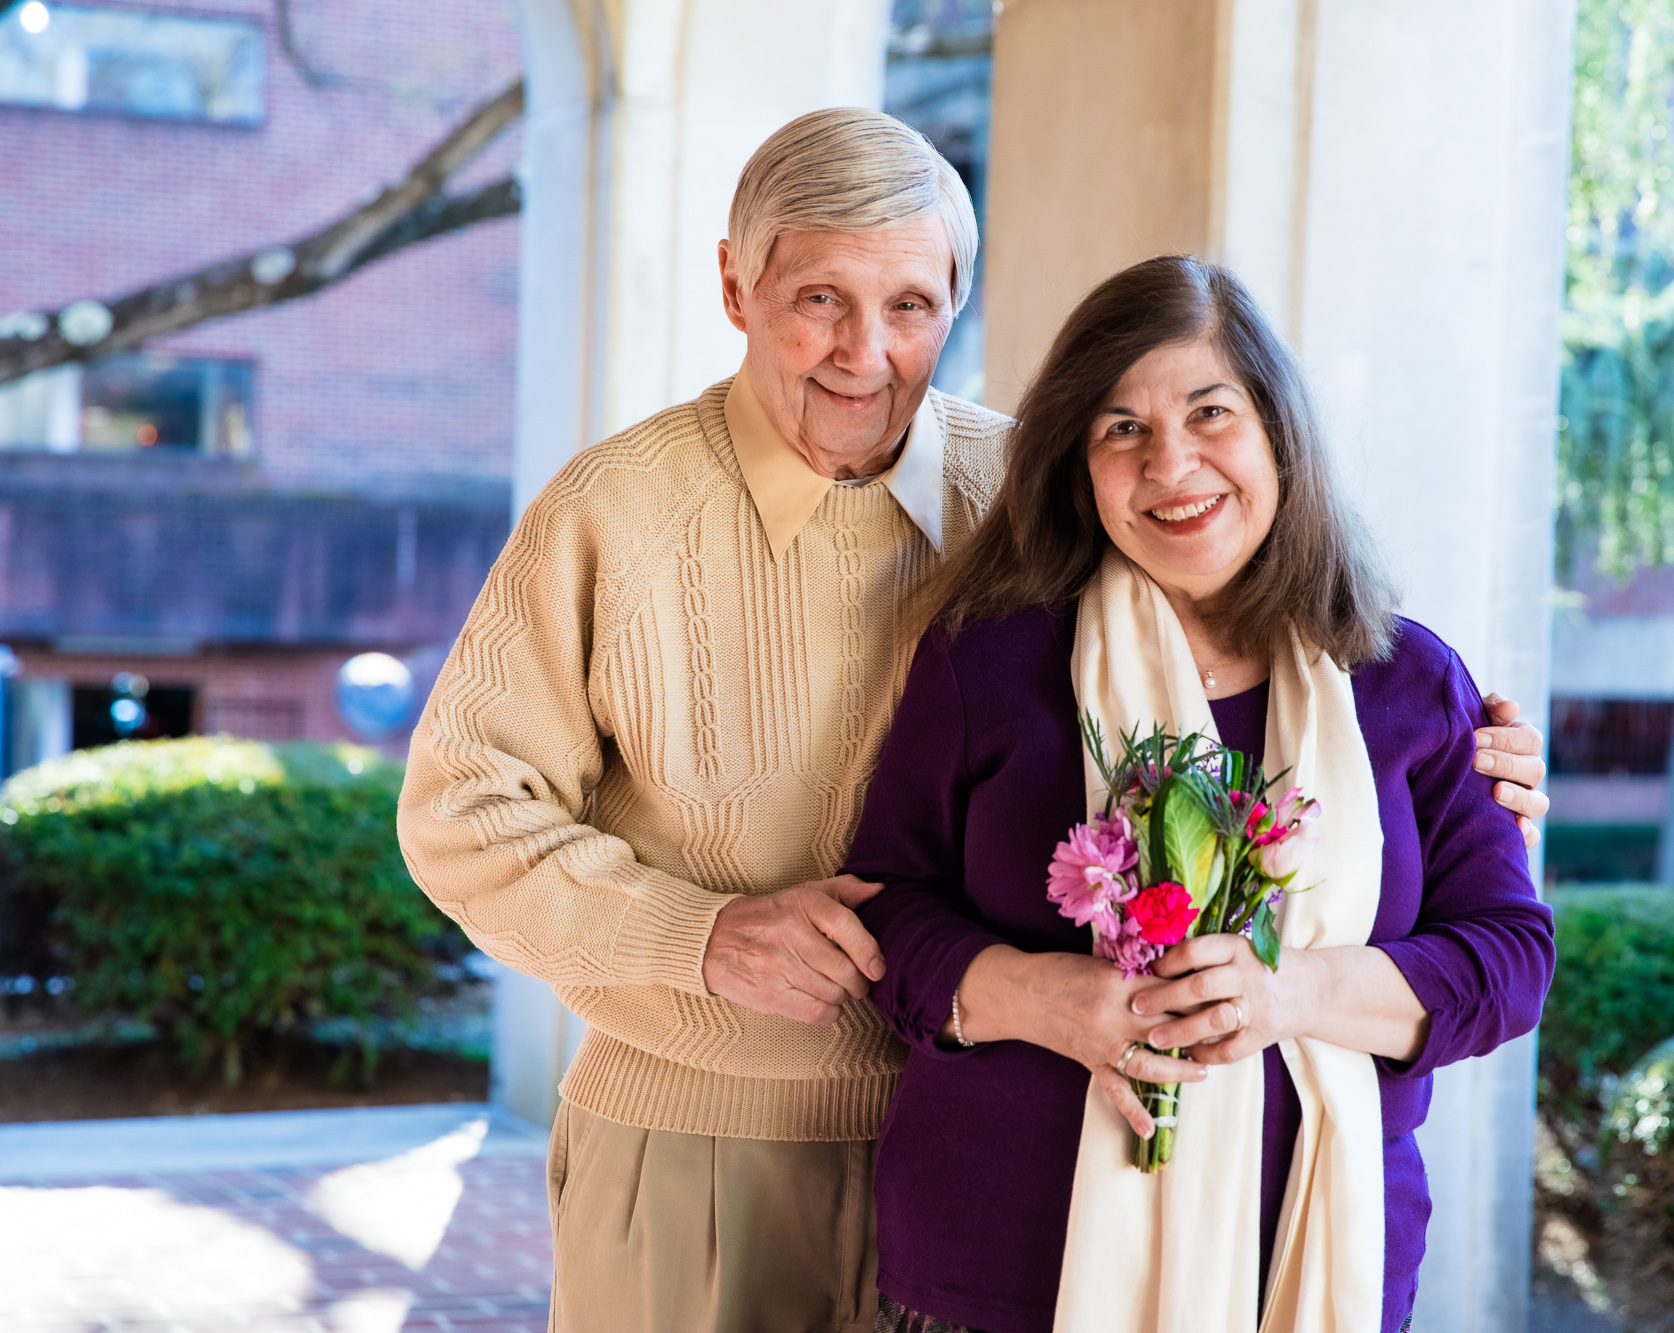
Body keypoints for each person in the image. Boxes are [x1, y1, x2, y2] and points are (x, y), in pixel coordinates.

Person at [398, 108, 1550, 1332]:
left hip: (989, 1149)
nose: (863, 353)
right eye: (818, 300)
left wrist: (1474, 768)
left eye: (907, 305)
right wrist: (695, 933)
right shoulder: (613, 512)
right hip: (715, 1135)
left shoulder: (1032, 484)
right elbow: (460, 812)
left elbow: (1308, 672)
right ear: (735, 285)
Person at [844, 255, 1558, 1333]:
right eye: (1118, 428)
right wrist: (1043, 999)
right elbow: (885, 908)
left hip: (1311, 1264)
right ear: (1077, 467)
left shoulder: (1407, 685)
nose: (1169, 463)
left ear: (1277, 431)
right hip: (1002, 1272)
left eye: (1207, 412)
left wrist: (1287, 992)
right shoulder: (985, 663)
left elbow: (1508, 960)